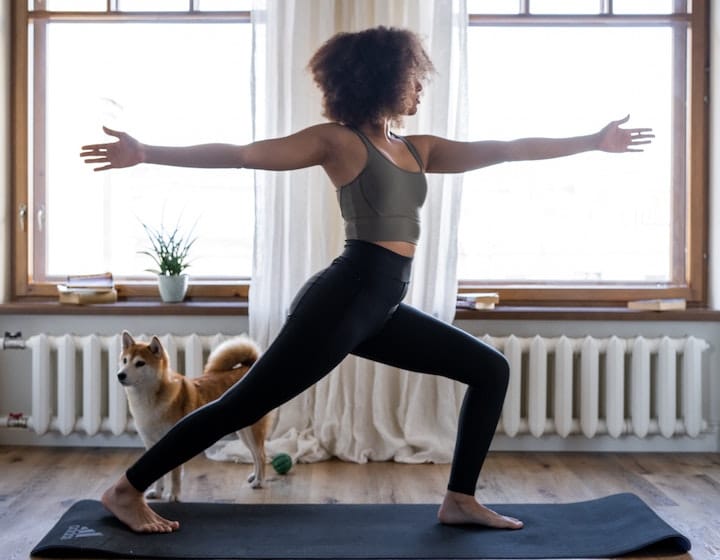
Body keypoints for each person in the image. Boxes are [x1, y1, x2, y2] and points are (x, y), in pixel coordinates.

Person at [80, 26, 653, 534]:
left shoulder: (415, 148)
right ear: (383, 79)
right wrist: (147, 151)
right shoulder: (338, 142)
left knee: (488, 368)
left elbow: (507, 149)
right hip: (344, 298)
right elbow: (243, 154)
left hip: (380, 305)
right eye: (413, 78)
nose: (421, 88)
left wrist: (592, 141)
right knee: (241, 403)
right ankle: (125, 491)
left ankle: (459, 498)